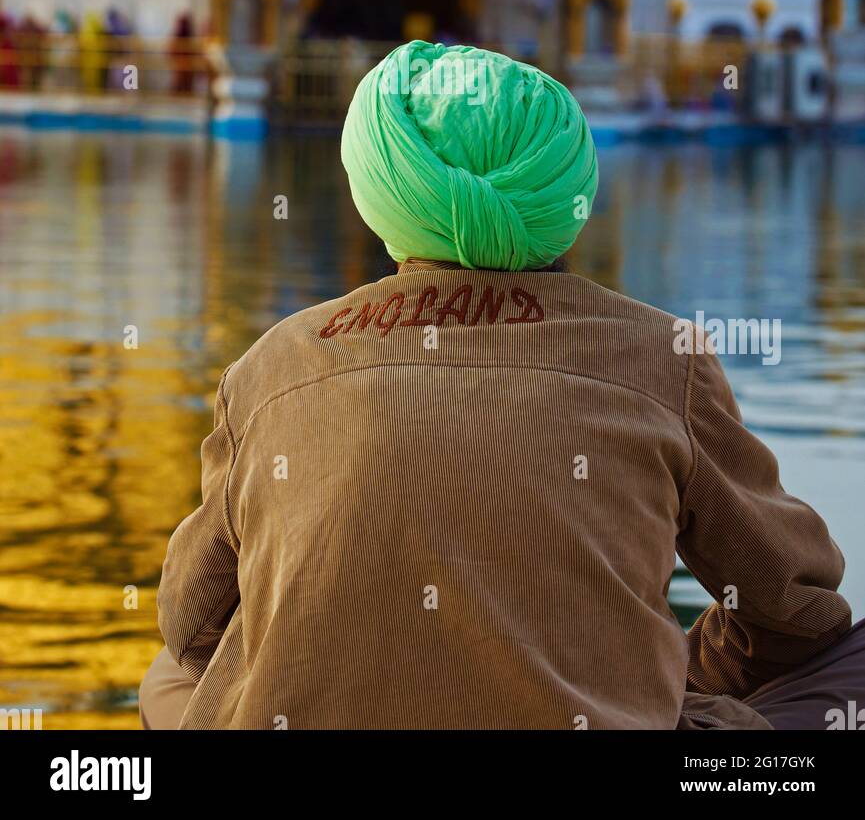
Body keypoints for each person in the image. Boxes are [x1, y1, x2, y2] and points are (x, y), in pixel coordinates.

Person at [141, 41, 859, 731]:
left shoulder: (274, 364)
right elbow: (794, 608)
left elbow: (189, 619)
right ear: (568, 190)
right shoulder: (662, 357)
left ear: (381, 190)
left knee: (170, 678)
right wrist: (669, 670)